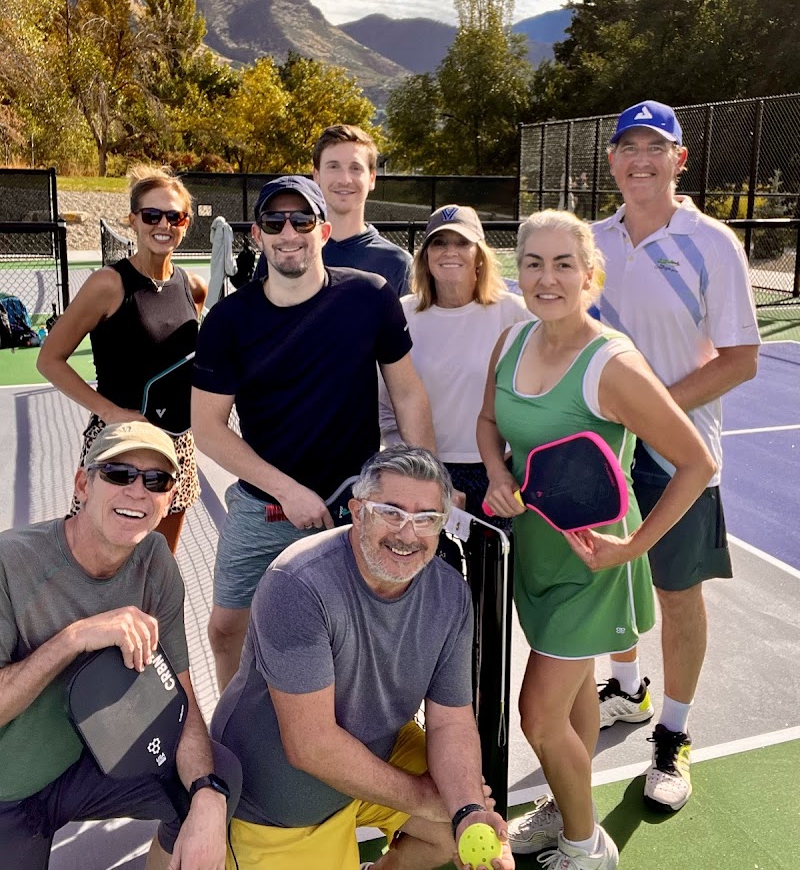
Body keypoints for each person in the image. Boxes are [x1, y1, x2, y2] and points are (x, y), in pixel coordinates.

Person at [477, 210, 715, 869]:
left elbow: (696, 462)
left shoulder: (613, 364)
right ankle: (566, 800)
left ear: (589, 274)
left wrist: (632, 548)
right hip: (534, 552)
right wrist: (498, 472)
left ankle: (587, 848)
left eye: (563, 264)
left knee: (539, 717)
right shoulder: (513, 342)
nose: (547, 277)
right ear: (516, 269)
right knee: (576, 695)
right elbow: (488, 421)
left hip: (593, 566)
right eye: (533, 263)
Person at [211, 445, 515, 870]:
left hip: (377, 754)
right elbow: (311, 746)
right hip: (278, 805)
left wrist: (465, 812)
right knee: (440, 804)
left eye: (426, 519)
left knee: (455, 812)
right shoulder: (297, 584)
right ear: (357, 511)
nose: (408, 534)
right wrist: (430, 799)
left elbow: (451, 720)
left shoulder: (450, 594)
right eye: (391, 512)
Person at [192, 175, 436, 691]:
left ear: (324, 230)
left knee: (358, 631)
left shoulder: (369, 297)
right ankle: (237, 729)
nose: (289, 232)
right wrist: (286, 490)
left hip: (356, 506)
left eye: (302, 220)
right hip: (265, 506)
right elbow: (208, 429)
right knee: (227, 628)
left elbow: (408, 393)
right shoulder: (228, 320)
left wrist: (424, 486)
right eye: (274, 221)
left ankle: (350, 735)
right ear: (257, 236)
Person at [591, 100, 760, 810]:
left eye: (654, 148)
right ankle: (627, 689)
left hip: (679, 450)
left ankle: (674, 733)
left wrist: (653, 404)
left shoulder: (714, 243)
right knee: (606, 580)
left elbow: (742, 359)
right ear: (612, 162)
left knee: (675, 593)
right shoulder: (590, 239)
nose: (640, 159)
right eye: (628, 147)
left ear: (678, 161)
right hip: (599, 445)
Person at [0, 421, 241, 870]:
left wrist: (207, 794)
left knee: (219, 775)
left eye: (156, 481)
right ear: (83, 484)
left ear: (170, 498)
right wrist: (74, 638)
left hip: (97, 762)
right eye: (118, 473)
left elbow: (180, 697)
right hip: (10, 785)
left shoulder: (155, 564)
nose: (137, 491)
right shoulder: (10, 561)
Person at [378, 204, 530, 808]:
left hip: (491, 480)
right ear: (425, 254)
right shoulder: (405, 313)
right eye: (439, 243)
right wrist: (426, 478)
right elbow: (389, 402)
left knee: (481, 621)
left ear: (478, 253)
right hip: (424, 478)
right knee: (419, 615)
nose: (450, 253)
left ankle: (478, 759)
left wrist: (502, 473)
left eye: (461, 244)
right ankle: (417, 743)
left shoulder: (510, 313)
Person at [38, 165, 207, 554]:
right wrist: (111, 412)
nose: (163, 224)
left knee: (158, 563)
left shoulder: (193, 286)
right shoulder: (107, 285)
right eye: (152, 215)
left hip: (176, 446)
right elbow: (50, 359)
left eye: (174, 216)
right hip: (120, 444)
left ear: (185, 223)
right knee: (97, 558)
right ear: (133, 220)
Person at [254, 124, 412, 292]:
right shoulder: (287, 252)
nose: (344, 179)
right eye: (333, 166)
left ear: (372, 178)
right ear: (316, 175)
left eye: (355, 168)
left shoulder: (398, 264)